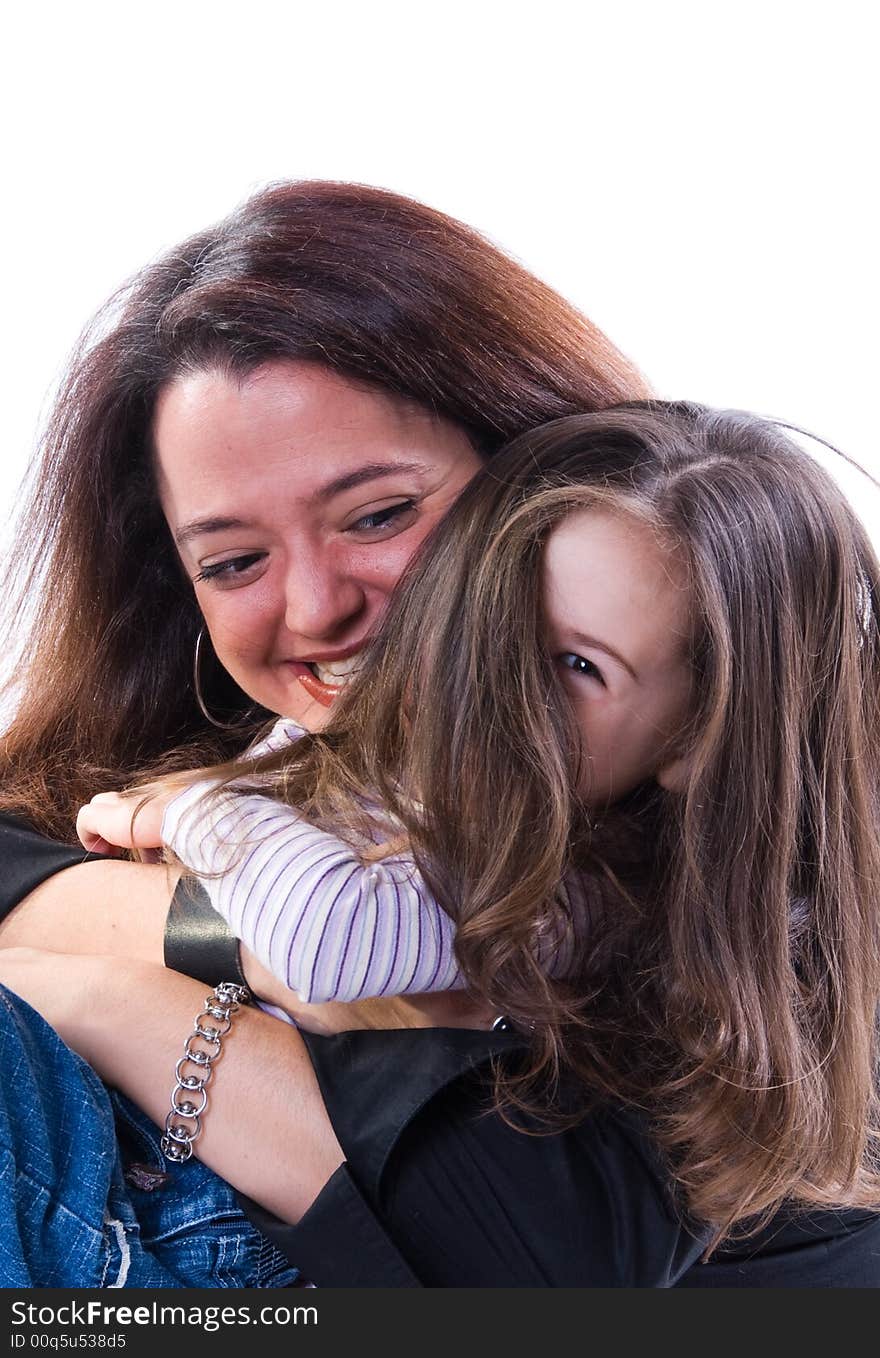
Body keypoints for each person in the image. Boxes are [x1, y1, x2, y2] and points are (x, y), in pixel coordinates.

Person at [5, 403, 880, 1286]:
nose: (488, 688)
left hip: (222, 1230)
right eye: (486, 626)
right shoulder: (463, 776)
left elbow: (326, 943)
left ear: (700, 740)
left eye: (578, 667)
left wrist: (199, 811)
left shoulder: (589, 890)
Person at [0, 179, 650, 1286]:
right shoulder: (236, 732)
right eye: (233, 560)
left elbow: (553, 1250)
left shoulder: (705, 791)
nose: (313, 609)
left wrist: (98, 990)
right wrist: (237, 953)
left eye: (380, 514)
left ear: (544, 468)